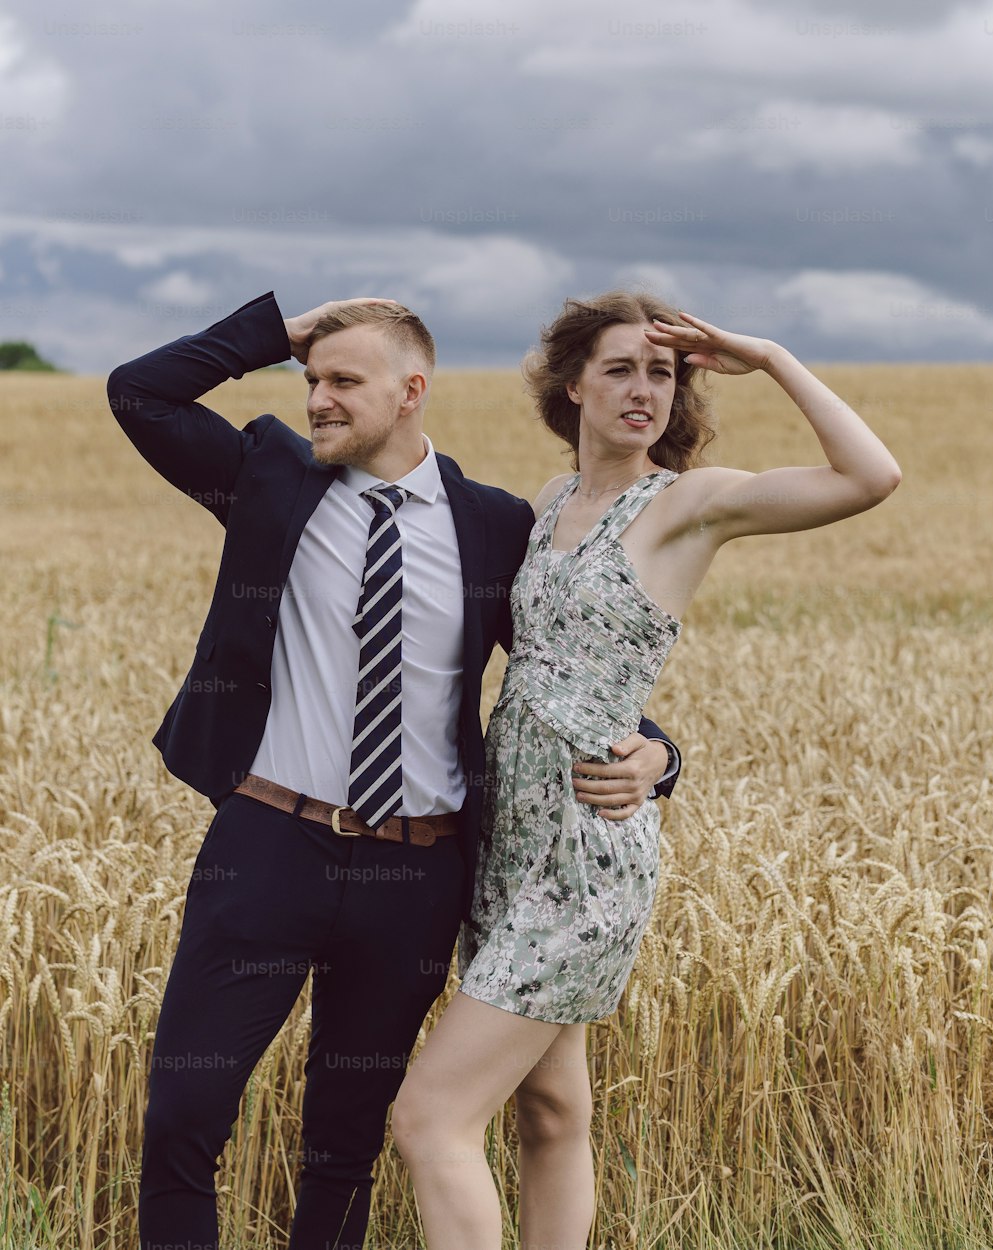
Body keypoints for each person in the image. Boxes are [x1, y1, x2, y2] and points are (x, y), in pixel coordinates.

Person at [107, 291, 682, 1250]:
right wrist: (277, 335)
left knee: (346, 1145)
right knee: (182, 1121)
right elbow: (140, 394)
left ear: (412, 390)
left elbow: (562, 667)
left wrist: (661, 753)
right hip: (266, 848)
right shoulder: (267, 476)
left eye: (343, 382)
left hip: (414, 876)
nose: (318, 400)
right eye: (310, 382)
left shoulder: (493, 526)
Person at [390, 291, 902, 1250]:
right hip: (509, 844)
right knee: (551, 1117)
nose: (642, 390)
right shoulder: (547, 505)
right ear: (573, 384)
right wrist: (665, 751)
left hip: (586, 856)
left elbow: (871, 476)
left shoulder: (685, 505)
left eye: (662, 373)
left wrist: (771, 354)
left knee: (429, 1121)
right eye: (620, 368)